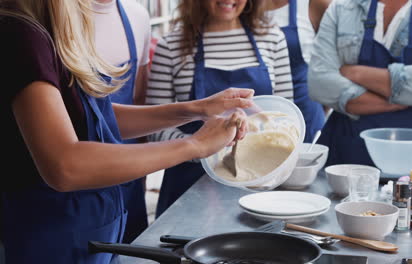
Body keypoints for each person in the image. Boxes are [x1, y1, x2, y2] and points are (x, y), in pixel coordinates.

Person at [0, 0, 254, 263]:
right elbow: (64, 165)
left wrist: (195, 109)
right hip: (54, 237)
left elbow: (98, 119)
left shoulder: (46, 31)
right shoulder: (20, 35)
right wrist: (195, 144)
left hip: (91, 230)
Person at [145, 0, 296, 218]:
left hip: (260, 183)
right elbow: (153, 128)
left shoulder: (273, 39)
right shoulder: (171, 45)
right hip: (188, 183)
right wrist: (203, 150)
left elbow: (285, 118)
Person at [308, 0, 412, 173]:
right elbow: (320, 83)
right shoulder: (342, 7)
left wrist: (355, 73)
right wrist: (408, 94)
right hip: (348, 152)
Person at [93, 0, 151, 243]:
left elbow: (139, 98)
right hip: (72, 190)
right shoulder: (50, 20)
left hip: (127, 177)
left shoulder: (137, 16)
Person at [265, 0, 332, 142]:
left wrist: (323, 108)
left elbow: (331, 66)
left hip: (305, 115)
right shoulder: (239, 7)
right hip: (256, 117)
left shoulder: (314, 4)